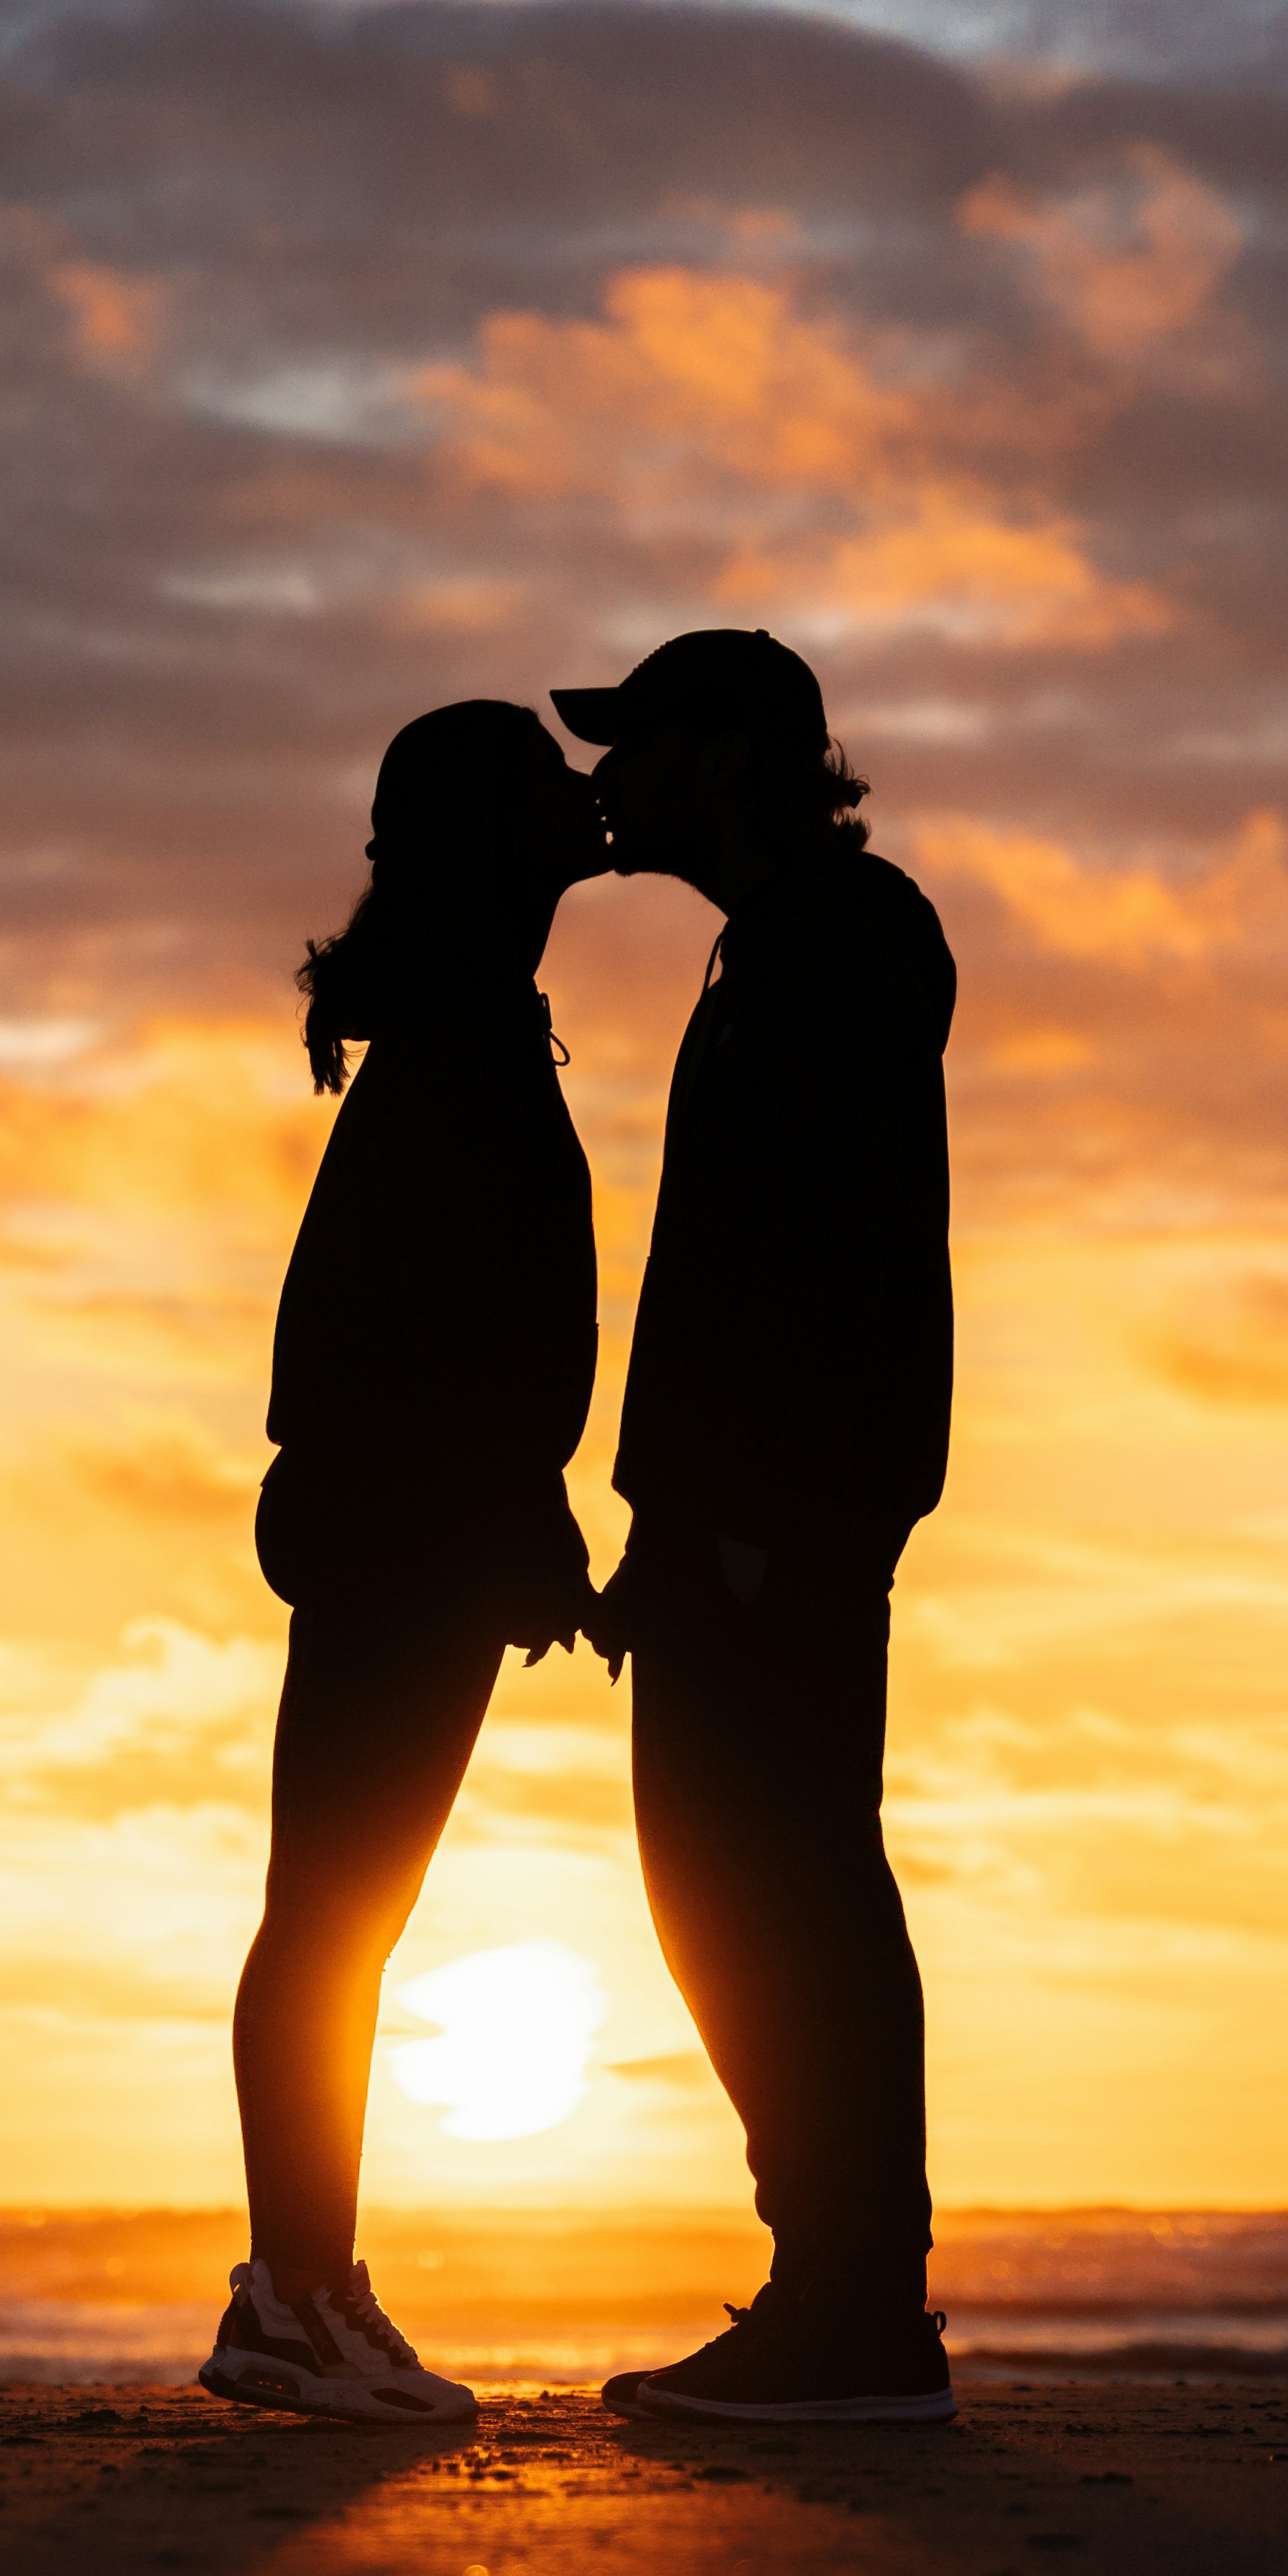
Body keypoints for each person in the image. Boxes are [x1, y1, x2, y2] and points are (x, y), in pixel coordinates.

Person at [557, 629, 962, 2427]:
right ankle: (839, 2294)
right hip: (748, 1509)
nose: (610, 783)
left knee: (779, 1885)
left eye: (638, 746)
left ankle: (855, 2311)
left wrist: (747, 1519)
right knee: (738, 1881)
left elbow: (809, 1271)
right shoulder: (791, 946)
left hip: (783, 1514)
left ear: (729, 757)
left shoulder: (837, 951)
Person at [201, 698, 613, 2427]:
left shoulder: (464, 1027)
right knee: (333, 1915)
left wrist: (521, 1516)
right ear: (482, 840)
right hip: (404, 1539)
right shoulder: (458, 1045)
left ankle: (307, 2283)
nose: (582, 804)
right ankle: (295, 2291)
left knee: (339, 1914)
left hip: (409, 1530)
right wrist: (515, 1518)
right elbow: (407, 1334)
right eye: (544, 789)